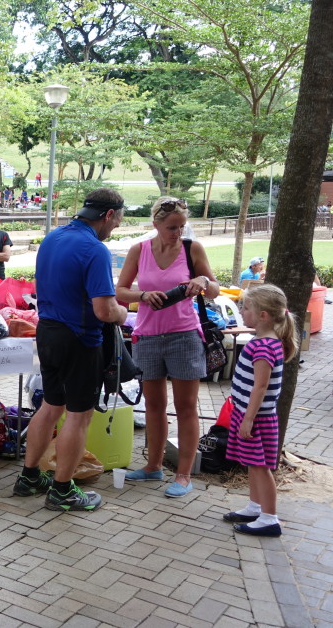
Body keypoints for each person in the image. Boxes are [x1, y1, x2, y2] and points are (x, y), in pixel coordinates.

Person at [11, 188, 128, 512]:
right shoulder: (95, 249)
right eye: (116, 222)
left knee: (50, 406)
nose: (115, 228)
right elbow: (105, 310)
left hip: (47, 332)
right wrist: (124, 313)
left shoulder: (52, 238)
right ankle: (62, 490)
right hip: (79, 340)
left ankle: (30, 476)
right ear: (108, 215)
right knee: (79, 416)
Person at [115, 196, 220, 497]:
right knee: (154, 405)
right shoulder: (140, 250)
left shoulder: (191, 249)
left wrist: (201, 280)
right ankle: (153, 466)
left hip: (184, 336)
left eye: (182, 227)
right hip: (147, 336)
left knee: (186, 407)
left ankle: (184, 474)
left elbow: (214, 288)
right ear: (156, 224)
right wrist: (144, 295)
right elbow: (120, 290)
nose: (178, 233)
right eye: (172, 227)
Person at [224, 284, 298, 537]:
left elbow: (261, 386)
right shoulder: (263, 339)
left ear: (263, 315)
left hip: (256, 418)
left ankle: (269, 518)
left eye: (246, 308)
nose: (242, 312)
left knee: (260, 466)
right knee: (252, 463)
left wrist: (248, 419)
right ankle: (255, 507)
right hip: (250, 414)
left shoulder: (264, 347)